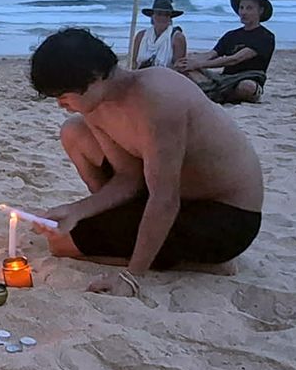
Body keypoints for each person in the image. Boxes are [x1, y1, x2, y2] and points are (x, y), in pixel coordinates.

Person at [28, 28, 263, 300]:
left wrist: (132, 275)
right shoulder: (97, 105)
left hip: (226, 217)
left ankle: (203, 263)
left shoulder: (158, 97)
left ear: (93, 79)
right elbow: (129, 177)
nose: (60, 104)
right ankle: (141, 238)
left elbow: (165, 198)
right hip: (172, 197)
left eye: (63, 95)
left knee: (63, 245)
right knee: (73, 131)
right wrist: (76, 211)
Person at [176, 0, 275, 103]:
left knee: (246, 87)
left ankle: (215, 93)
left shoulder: (265, 36)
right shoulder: (231, 35)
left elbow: (235, 59)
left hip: (248, 78)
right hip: (224, 79)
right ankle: (217, 92)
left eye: (249, 8)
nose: (243, 12)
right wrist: (191, 61)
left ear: (260, 11)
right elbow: (211, 55)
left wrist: (199, 64)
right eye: (241, 8)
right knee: (188, 68)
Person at [130, 0, 187, 70]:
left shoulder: (177, 38)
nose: (162, 18)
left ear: (170, 18)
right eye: (159, 14)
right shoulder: (141, 36)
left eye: (166, 15)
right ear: (152, 16)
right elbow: (134, 62)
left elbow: (179, 68)